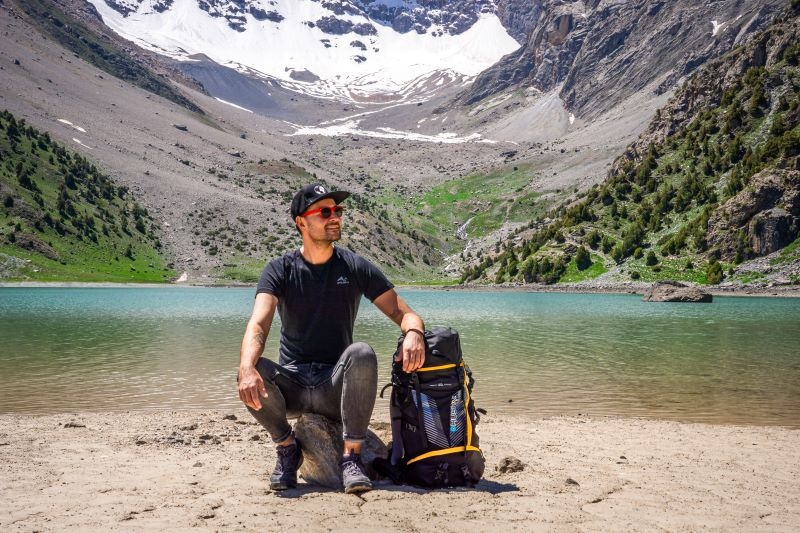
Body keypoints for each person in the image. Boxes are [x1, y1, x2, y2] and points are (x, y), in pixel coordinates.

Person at [238, 183, 426, 494]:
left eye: (337, 210)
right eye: (324, 212)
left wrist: (414, 333)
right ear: (301, 222)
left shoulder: (353, 266)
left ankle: (351, 458)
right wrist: (246, 366)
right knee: (249, 368)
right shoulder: (279, 269)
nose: (335, 217)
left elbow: (405, 313)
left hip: (334, 388)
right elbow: (258, 323)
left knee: (361, 352)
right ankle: (287, 448)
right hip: (294, 386)